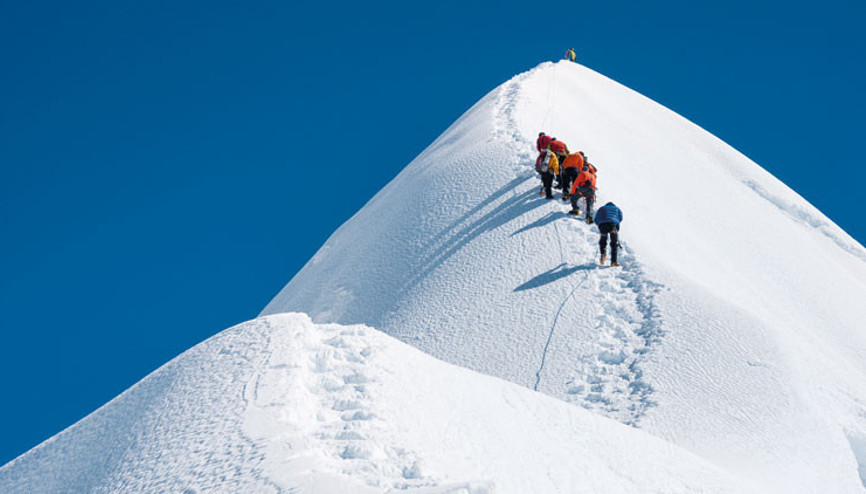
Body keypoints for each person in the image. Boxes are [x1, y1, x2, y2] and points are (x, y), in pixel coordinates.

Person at [594, 202, 623, 267]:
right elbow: (620, 218)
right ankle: (613, 262)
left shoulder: (601, 208)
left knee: (603, 241)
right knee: (614, 243)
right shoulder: (617, 208)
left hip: (602, 226)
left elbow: (596, 219)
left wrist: (599, 225)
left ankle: (603, 253)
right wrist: (616, 226)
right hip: (612, 225)